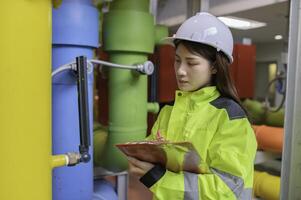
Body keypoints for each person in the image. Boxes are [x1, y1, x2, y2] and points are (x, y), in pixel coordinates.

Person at [127, 12, 257, 200]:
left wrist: (158, 178)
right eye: (177, 60)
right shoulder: (168, 112)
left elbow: (227, 190)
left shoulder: (230, 117)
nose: (180, 71)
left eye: (191, 63)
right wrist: (140, 159)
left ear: (214, 67)